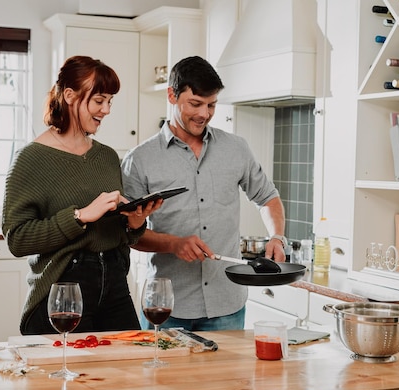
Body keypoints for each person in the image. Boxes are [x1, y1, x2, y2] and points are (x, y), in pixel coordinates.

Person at [121, 56, 287, 331]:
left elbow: (267, 197)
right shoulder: (140, 159)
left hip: (227, 306)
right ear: (172, 95)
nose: (204, 114)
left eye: (211, 105)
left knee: (226, 377)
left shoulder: (236, 148)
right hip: (167, 306)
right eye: (195, 104)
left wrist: (277, 237)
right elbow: (129, 234)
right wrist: (174, 244)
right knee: (159, 376)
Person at [2, 55, 161, 335]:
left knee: (130, 369)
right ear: (70, 96)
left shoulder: (107, 156)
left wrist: (135, 222)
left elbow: (120, 234)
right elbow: (17, 238)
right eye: (99, 101)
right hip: (64, 288)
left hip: (115, 284)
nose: (107, 110)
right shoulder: (31, 158)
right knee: (67, 376)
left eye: (110, 101)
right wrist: (79, 216)